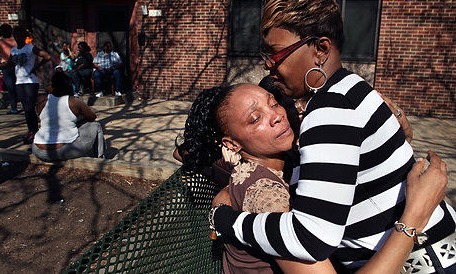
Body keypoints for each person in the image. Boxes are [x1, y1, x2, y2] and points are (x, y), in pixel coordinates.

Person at [210, 0, 456, 273]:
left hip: (422, 263)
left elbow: (310, 238)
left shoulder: (330, 110)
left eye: (276, 53)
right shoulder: (349, 87)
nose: (269, 65)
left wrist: (225, 220)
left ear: (320, 48)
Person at [181, 84, 449, 273]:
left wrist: (394, 120)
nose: (277, 115)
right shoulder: (265, 194)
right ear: (233, 144)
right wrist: (416, 213)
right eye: (255, 118)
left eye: (273, 102)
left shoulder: (287, 160)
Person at [0, 26, 51, 144]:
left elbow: (47, 56)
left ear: (25, 36)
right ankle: (31, 131)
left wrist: (35, 67)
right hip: (19, 82)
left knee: (30, 107)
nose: (18, 38)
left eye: (20, 35)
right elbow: (8, 65)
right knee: (26, 109)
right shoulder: (14, 50)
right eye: (16, 36)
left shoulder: (31, 48)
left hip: (30, 81)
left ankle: (36, 131)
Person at [32, 71, 105, 161]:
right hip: (63, 151)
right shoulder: (74, 101)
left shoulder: (41, 100)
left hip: (38, 149)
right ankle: (100, 158)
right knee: (95, 125)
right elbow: (92, 117)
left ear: (53, 86)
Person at [0, 23, 19, 114]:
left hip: (6, 66)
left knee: (10, 87)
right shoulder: (16, 41)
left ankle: (14, 108)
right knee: (18, 85)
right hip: (17, 65)